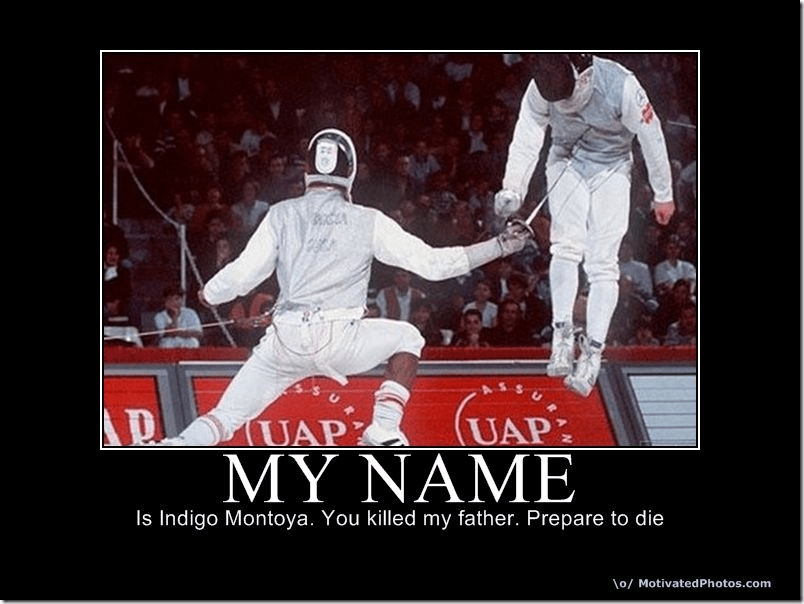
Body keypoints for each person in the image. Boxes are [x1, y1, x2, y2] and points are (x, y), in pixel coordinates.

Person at [145, 128, 530, 446]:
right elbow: (434, 264)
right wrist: (501, 245)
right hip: (339, 341)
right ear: (349, 171)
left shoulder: (280, 214)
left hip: (285, 342)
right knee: (408, 337)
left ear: (309, 170)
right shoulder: (368, 219)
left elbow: (243, 276)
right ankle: (382, 430)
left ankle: (176, 445)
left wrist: (210, 293)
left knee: (226, 416)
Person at [495, 53, 675, 396]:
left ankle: (593, 351)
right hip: (565, 160)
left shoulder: (622, 85)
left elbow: (651, 136)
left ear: (584, 78)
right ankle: (561, 334)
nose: (564, 106)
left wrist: (663, 193)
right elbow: (528, 135)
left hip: (612, 166)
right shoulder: (541, 84)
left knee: (602, 262)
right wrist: (513, 188)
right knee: (565, 246)